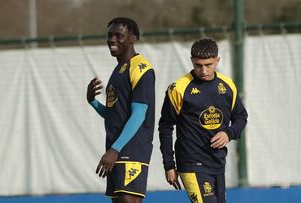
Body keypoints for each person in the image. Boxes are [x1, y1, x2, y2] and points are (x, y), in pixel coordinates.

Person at [158, 38, 248, 203]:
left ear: (217, 60)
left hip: (218, 162)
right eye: (198, 65)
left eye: (209, 65)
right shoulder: (178, 88)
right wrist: (169, 165)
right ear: (192, 61)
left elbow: (241, 117)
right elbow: (165, 127)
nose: (204, 70)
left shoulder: (227, 85)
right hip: (191, 162)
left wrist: (229, 133)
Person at [86, 17, 155, 203]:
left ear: (133, 38)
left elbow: (139, 114)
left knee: (127, 200)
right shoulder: (119, 70)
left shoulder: (141, 68)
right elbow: (114, 114)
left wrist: (115, 149)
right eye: (110, 35)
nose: (112, 39)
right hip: (116, 149)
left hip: (131, 149)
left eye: (119, 35)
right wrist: (92, 102)